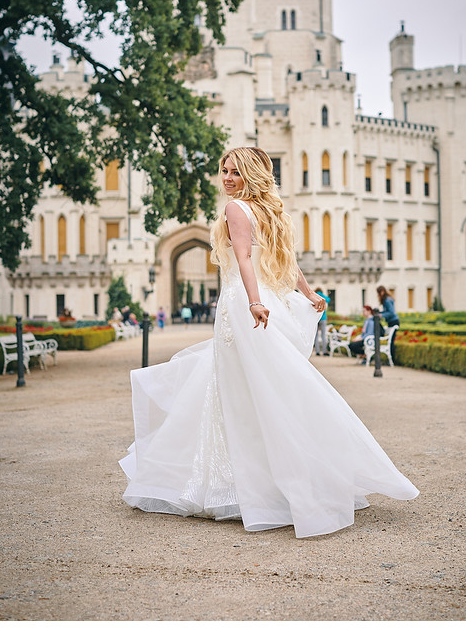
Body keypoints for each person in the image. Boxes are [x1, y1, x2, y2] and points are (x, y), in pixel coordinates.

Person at [120, 147, 418, 539]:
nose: (226, 178)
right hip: (261, 301)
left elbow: (245, 259)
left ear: (251, 176)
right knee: (267, 388)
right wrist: (308, 294)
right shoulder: (271, 212)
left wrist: (256, 301)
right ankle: (276, 480)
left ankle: (250, 486)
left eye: (235, 173)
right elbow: (286, 262)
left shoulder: (237, 211)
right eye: (223, 170)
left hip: (244, 304)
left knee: (244, 394)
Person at [377, 285, 399, 362]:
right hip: (392, 321)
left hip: (393, 321)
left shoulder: (387, 300)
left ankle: (392, 360)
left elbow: (391, 312)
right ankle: (391, 359)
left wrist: (381, 315)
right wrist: (381, 313)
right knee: (390, 341)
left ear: (381, 292)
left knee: (391, 341)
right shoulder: (387, 299)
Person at [313, 287, 330, 356]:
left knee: (316, 335)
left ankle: (317, 351)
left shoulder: (314, 295)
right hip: (323, 318)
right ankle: (324, 351)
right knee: (323, 335)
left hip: (316, 318)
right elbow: (328, 300)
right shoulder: (323, 296)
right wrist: (327, 294)